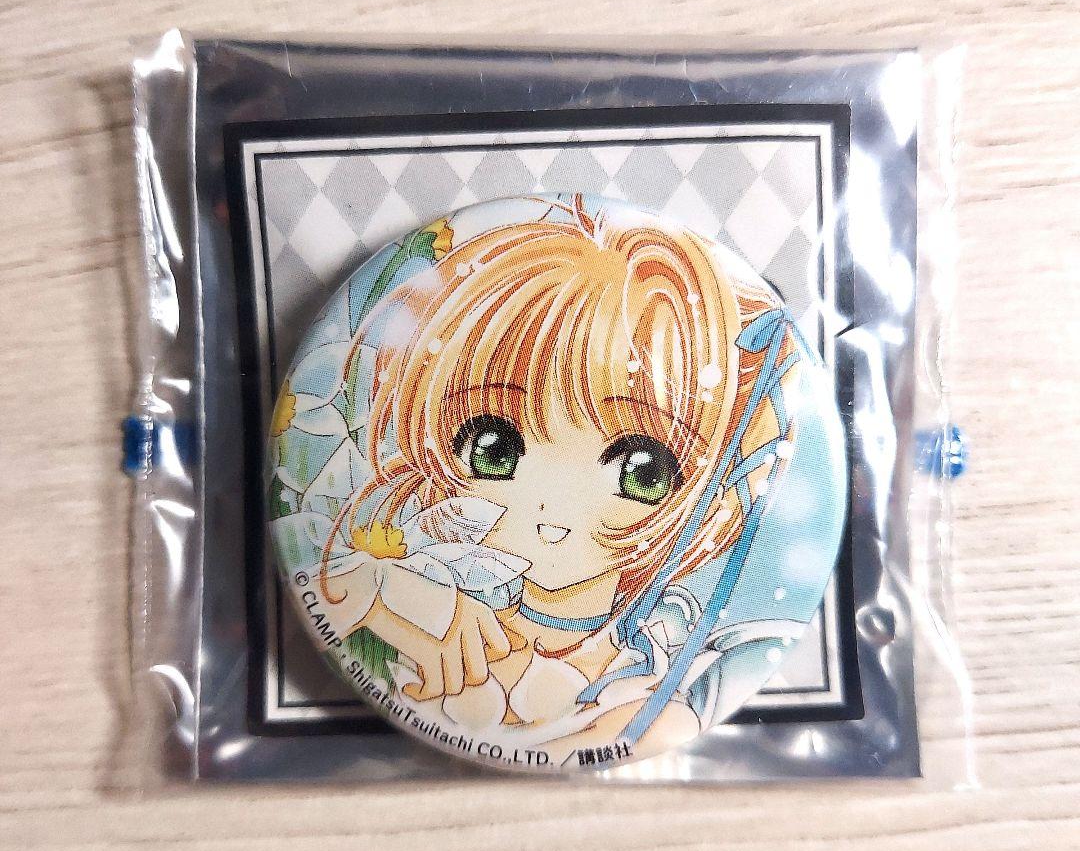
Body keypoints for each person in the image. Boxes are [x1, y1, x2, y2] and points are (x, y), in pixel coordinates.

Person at [314, 195, 800, 763]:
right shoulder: (418, 600)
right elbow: (321, 571)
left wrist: (673, 712)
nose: (550, 514)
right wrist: (379, 594)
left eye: (641, 471)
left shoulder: (660, 672)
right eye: (494, 450)